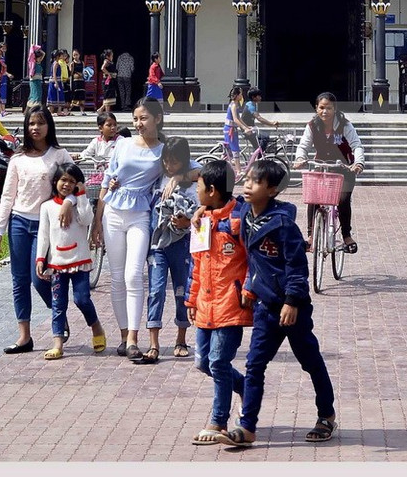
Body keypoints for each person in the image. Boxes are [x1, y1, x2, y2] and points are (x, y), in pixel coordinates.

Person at [216, 158, 337, 448]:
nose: (247, 185)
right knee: (255, 365)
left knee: (310, 361)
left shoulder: (283, 225)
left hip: (292, 309)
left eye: (255, 182)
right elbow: (219, 214)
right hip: (265, 308)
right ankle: (247, 428)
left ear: (271, 190)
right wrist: (249, 285)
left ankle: (327, 415)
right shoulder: (245, 212)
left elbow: (297, 268)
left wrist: (292, 302)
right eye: (246, 179)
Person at [0, 104, 76, 353]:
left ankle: (58, 317)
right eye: (31, 123)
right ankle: (24, 337)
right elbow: (8, 196)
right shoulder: (17, 159)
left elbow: (77, 184)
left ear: (49, 126)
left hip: (45, 225)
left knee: (40, 278)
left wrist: (69, 202)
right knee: (19, 281)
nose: (35, 128)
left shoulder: (59, 155)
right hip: (19, 222)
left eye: (40, 123)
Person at [90, 96, 165, 361]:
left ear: (157, 118)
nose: (138, 123)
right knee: (117, 276)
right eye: (135, 118)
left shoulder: (163, 150)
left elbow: (187, 168)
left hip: (139, 215)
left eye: (143, 118)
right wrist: (96, 222)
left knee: (134, 275)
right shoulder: (122, 144)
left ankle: (134, 336)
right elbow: (107, 180)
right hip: (112, 212)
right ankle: (123, 335)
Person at [187, 159, 251, 445]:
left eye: (198, 186)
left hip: (230, 305)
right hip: (204, 304)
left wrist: (248, 290)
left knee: (218, 362)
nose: (195, 191)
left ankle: (218, 421)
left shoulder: (238, 219)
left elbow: (254, 260)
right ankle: (247, 389)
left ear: (212, 190)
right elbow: (197, 264)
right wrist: (191, 299)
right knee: (203, 363)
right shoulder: (202, 220)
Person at [35, 162, 107, 359]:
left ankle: (96, 327)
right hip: (57, 263)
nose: (66, 184)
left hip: (80, 261)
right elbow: (44, 235)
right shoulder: (47, 207)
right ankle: (57, 343)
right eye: (63, 180)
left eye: (72, 182)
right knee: (58, 304)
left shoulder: (79, 204)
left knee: (82, 299)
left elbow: (86, 219)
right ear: (55, 181)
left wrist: (79, 196)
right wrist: (41, 258)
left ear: (78, 184)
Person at [139, 137, 199, 364]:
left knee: (182, 291)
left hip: (183, 245)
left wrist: (179, 178)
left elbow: (215, 174)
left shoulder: (195, 173)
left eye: (173, 162)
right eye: (166, 161)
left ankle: (181, 339)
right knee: (155, 290)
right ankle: (153, 344)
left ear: (184, 160)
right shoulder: (157, 173)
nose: (168, 166)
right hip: (158, 243)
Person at [293, 91, 364, 253]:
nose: (325, 111)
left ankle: (346, 235)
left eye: (329, 108)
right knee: (313, 196)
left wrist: (358, 163)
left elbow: (356, 145)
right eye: (321, 108)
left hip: (344, 169)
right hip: (322, 166)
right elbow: (303, 145)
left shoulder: (345, 125)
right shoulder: (312, 125)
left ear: (335, 109)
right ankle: (311, 236)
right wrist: (300, 159)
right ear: (316, 109)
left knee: (343, 199)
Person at [223, 85, 247, 169]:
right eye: (240, 94)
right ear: (237, 95)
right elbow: (236, 119)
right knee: (235, 150)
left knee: (233, 149)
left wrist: (247, 127)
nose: (242, 96)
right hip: (230, 130)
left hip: (233, 129)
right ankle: (238, 171)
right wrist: (244, 128)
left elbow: (239, 118)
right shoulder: (233, 105)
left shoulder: (236, 105)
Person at [69, 50, 86, 115]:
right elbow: (70, 73)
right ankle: (69, 110)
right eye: (74, 55)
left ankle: (82, 111)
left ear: (79, 55)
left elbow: (84, 71)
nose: (75, 56)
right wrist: (72, 68)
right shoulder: (72, 63)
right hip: (75, 82)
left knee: (82, 96)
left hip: (81, 81)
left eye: (77, 55)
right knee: (75, 96)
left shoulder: (82, 63)